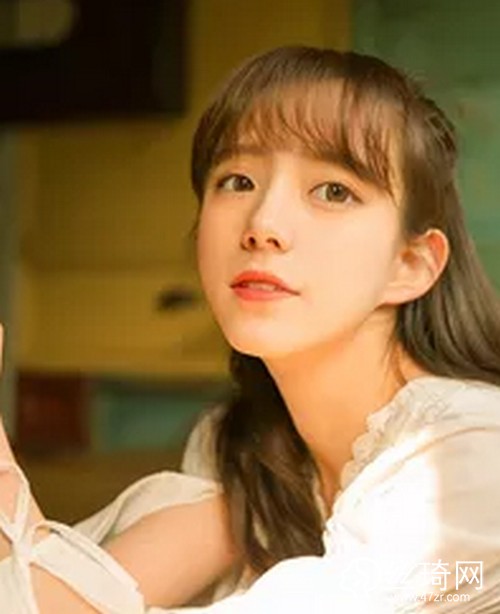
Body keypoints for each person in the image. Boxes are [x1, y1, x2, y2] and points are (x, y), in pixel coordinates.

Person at [1, 45, 500, 613]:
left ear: (409, 264)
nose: (263, 225)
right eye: (238, 181)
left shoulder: (468, 461)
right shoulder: (237, 454)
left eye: (333, 191)